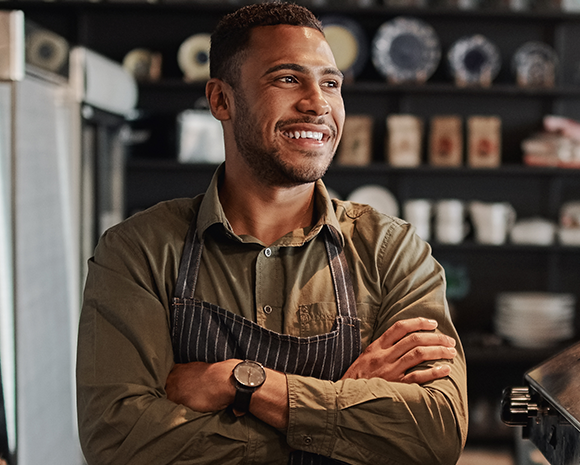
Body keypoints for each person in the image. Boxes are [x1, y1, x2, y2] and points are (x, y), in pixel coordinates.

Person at [75, 3, 467, 464]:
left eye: (331, 83)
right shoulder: (138, 251)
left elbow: (435, 434)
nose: (318, 103)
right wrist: (340, 407)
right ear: (221, 100)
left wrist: (239, 383)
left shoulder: (391, 252)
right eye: (287, 78)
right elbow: (119, 441)